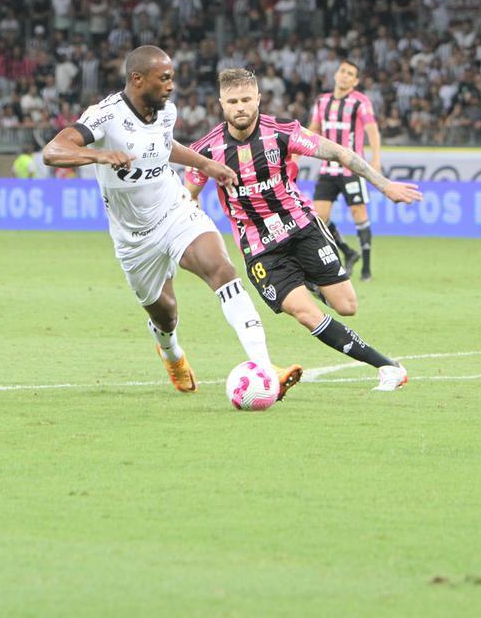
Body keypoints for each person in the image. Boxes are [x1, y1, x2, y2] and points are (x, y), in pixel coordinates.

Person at [41, 45, 301, 397]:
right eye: (164, 78)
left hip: (175, 209)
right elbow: (53, 151)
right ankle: (171, 353)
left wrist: (205, 164)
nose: (171, 86)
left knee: (221, 269)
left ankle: (265, 367)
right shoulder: (105, 116)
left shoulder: (166, 112)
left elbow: (164, 146)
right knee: (166, 314)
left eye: (172, 78)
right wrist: (99, 154)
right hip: (134, 236)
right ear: (137, 79)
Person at [185, 68, 425, 392]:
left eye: (245, 99)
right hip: (260, 249)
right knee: (305, 313)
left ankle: (308, 280)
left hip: (301, 228)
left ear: (258, 99)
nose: (239, 107)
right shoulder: (205, 149)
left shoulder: (282, 133)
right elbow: (189, 194)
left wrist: (383, 186)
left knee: (346, 306)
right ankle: (388, 367)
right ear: (220, 104)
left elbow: (340, 152)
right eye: (232, 101)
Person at [307, 59, 381, 281]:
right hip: (328, 169)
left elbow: (372, 130)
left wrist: (376, 157)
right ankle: (348, 251)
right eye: (342, 71)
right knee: (319, 217)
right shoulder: (322, 101)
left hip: (352, 169)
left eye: (350, 73)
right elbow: (313, 129)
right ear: (336, 75)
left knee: (359, 213)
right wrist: (295, 152)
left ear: (355, 81)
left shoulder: (360, 102)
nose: (345, 75)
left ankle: (366, 268)